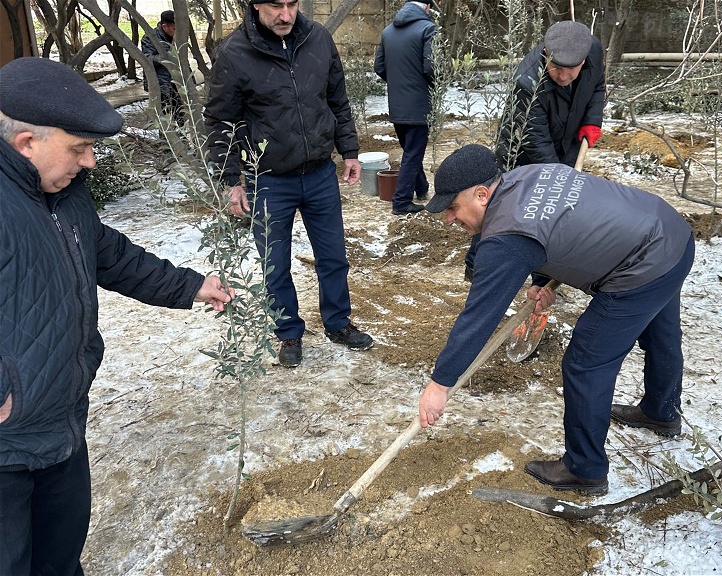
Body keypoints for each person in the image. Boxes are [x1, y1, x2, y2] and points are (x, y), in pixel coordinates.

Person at [0, 57, 233, 575]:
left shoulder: (63, 194)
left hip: (62, 420)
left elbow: (108, 253)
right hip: (6, 446)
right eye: (78, 149)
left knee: (60, 558)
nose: (90, 163)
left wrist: (191, 286)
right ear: (27, 143)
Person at [419, 144, 694, 495]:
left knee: (586, 363)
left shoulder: (504, 238)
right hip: (670, 233)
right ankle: (661, 410)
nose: (449, 218)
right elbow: (556, 221)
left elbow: (478, 318)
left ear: (483, 194)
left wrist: (439, 385)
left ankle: (584, 468)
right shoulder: (526, 176)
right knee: (660, 332)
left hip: (643, 263)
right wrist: (539, 281)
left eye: (453, 207)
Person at [204, 0, 373, 368]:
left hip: (319, 174)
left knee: (332, 257)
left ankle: (338, 323)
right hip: (267, 181)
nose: (285, 15)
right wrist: (231, 180)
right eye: (275, 6)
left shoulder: (319, 39)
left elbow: (337, 100)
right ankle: (288, 333)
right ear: (255, 5)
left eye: (292, 4)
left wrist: (349, 150)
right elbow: (219, 121)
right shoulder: (234, 53)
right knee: (274, 264)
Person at [465, 20, 606, 281]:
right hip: (522, 151)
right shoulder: (527, 81)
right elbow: (536, 140)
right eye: (556, 69)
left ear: (584, 59)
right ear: (545, 55)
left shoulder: (593, 50)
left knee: (550, 215)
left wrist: (592, 121)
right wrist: (558, 181)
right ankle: (477, 266)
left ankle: (543, 277)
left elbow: (597, 88)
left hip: (568, 142)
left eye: (571, 70)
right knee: (503, 208)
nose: (563, 77)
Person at [374, 0, 436, 215]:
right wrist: (433, 87)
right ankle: (401, 202)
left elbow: (379, 67)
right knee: (413, 152)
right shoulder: (428, 29)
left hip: (397, 105)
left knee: (411, 149)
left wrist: (398, 83)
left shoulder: (388, 31)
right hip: (419, 105)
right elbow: (431, 67)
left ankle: (421, 187)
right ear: (427, 7)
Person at [141, 10, 184, 123]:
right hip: (161, 84)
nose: (176, 32)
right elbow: (147, 59)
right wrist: (166, 57)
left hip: (177, 83)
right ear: (164, 26)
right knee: (164, 118)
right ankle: (165, 139)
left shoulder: (177, 37)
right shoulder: (150, 38)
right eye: (174, 29)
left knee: (180, 115)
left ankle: (182, 139)